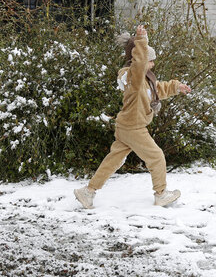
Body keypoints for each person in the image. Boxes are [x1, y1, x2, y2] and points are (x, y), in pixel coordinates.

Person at [74, 25, 191, 208]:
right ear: (141, 59)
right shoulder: (134, 78)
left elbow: (158, 89)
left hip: (125, 127)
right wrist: (141, 40)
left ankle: (88, 192)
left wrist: (177, 87)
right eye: (150, 61)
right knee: (157, 157)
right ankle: (161, 193)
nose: (152, 64)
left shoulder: (143, 81)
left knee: (113, 160)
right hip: (133, 127)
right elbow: (139, 64)